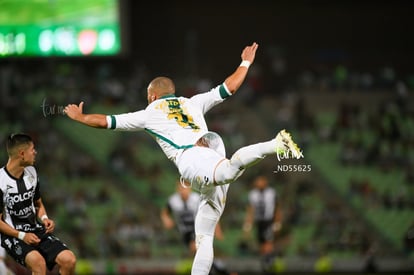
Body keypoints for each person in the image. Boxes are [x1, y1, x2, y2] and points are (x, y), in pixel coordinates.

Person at [64, 42, 302, 275]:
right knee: (204, 234)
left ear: (152, 95)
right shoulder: (192, 102)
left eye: (148, 95)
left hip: (192, 159)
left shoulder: (149, 113)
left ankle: (275, 143)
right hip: (209, 154)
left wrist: (80, 117)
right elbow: (229, 87)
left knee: (229, 171)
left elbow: (106, 121)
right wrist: (245, 62)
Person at [0, 133, 77, 275]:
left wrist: (45, 218)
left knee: (69, 260)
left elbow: (38, 204)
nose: (35, 152)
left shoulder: (32, 172)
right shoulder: (1, 181)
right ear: (22, 153)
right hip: (13, 235)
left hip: (35, 230)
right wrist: (22, 235)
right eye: (32, 149)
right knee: (38, 263)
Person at [161, 180, 233, 275]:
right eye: (180, 188)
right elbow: (164, 212)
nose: (182, 191)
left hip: (198, 229)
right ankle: (219, 270)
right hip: (184, 233)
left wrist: (217, 229)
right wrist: (166, 219)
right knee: (199, 256)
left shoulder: (196, 199)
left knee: (196, 250)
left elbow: (210, 212)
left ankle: (224, 272)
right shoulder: (173, 200)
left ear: (189, 189)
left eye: (184, 188)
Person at [242, 175, 282, 269]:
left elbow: (277, 208)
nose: (259, 183)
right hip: (259, 221)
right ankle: (265, 261)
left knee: (268, 241)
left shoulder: (271, 193)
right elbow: (250, 210)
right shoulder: (252, 194)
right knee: (261, 243)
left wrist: (277, 222)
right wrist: (248, 224)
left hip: (269, 220)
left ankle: (269, 261)